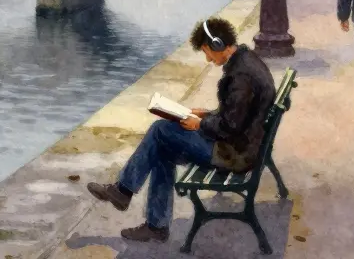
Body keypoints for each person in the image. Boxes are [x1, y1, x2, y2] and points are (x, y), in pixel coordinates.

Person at [86, 17, 276, 243]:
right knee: (161, 148)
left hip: (233, 155)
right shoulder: (246, 62)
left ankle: (127, 194)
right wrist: (206, 114)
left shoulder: (241, 76)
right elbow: (237, 115)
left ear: (217, 45)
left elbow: (231, 126)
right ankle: (151, 222)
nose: (207, 58)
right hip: (240, 147)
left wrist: (200, 123)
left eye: (207, 52)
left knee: (160, 130)